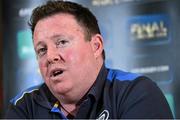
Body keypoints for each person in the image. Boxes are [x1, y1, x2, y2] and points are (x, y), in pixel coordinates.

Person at [5, 0, 173, 119]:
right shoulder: (25, 106)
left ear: (96, 46)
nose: (50, 56)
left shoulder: (136, 93)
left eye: (62, 42)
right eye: (42, 50)